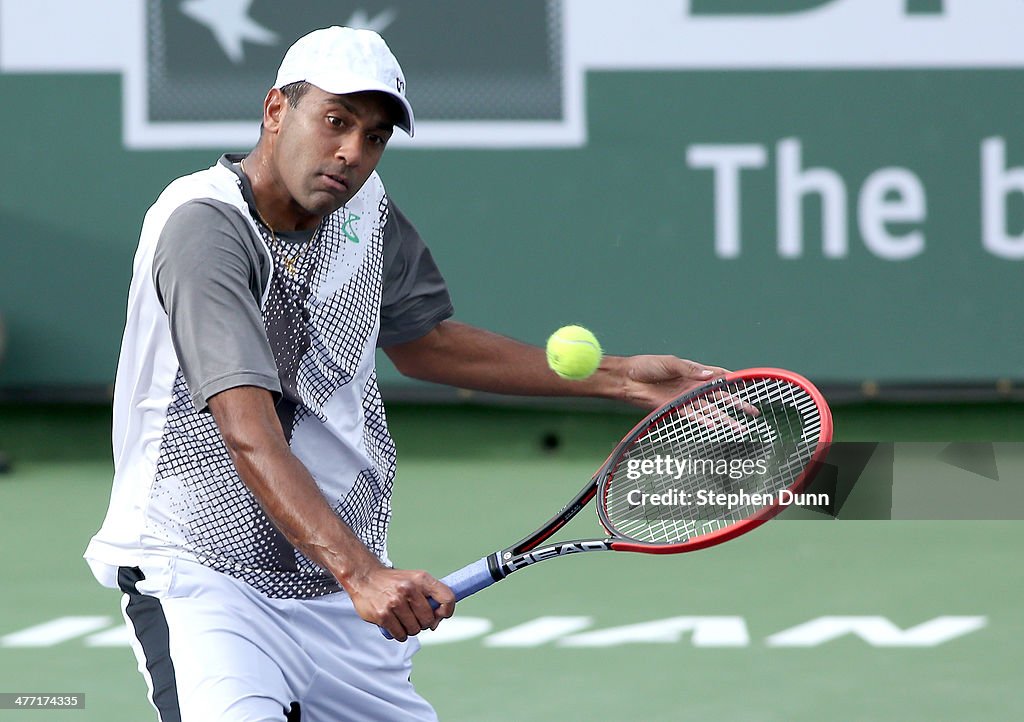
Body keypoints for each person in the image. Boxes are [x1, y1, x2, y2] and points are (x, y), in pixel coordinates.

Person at [84, 26, 726, 721]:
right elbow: (248, 432)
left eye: (375, 135)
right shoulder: (203, 224)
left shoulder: (362, 207)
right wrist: (361, 572)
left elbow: (425, 342)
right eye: (336, 122)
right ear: (276, 111)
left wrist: (622, 378)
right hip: (205, 579)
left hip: (334, 598)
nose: (351, 153)